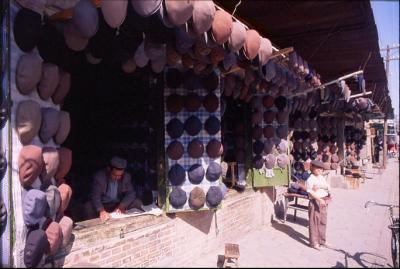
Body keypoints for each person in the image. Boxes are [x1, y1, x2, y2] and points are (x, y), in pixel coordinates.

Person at [84, 156, 142, 221]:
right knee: (88, 207)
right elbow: (95, 196)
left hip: (117, 204)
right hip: (103, 205)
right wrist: (101, 211)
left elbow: (131, 194)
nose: (117, 178)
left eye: (120, 175)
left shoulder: (126, 177)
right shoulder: (99, 177)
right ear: (109, 169)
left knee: (137, 202)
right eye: (115, 175)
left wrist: (121, 206)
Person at [306, 160, 332, 250]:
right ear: (312, 168)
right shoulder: (310, 179)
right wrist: (319, 199)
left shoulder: (321, 177)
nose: (319, 170)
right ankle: (314, 243)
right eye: (317, 168)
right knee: (314, 222)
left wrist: (320, 187)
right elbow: (310, 192)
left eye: (320, 168)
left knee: (322, 221)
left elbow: (328, 187)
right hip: (315, 202)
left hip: (323, 201)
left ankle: (322, 241)